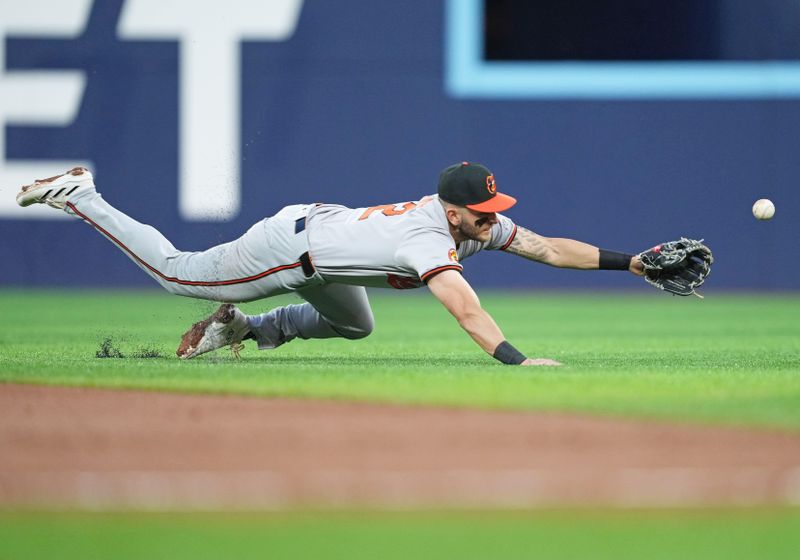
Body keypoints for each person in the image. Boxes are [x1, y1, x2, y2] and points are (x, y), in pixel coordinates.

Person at [15, 162, 644, 366]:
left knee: (357, 326)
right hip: (291, 248)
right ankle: (82, 195)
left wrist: (632, 264)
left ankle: (249, 328)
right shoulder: (427, 238)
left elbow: (551, 248)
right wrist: (515, 359)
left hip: (331, 254)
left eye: (493, 207)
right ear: (452, 212)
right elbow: (465, 307)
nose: (493, 218)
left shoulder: (476, 222)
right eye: (481, 211)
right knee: (179, 274)